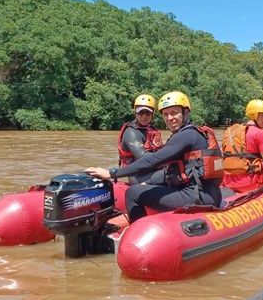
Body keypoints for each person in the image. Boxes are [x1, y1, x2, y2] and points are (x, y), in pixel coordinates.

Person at [85, 91, 223, 223]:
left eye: (174, 113)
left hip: (196, 196)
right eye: (166, 114)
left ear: (186, 112)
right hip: (206, 193)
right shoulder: (192, 133)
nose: (170, 118)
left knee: (133, 193)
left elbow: (152, 160)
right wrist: (149, 182)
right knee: (146, 187)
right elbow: (170, 170)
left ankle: (138, 233)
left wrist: (111, 173)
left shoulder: (186, 136)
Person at [118, 94, 163, 185]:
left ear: (153, 113)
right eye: (140, 112)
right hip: (137, 176)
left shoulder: (151, 129)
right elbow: (142, 157)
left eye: (148, 113)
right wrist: (170, 157)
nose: (144, 116)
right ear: (135, 112)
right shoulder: (131, 132)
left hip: (151, 170)